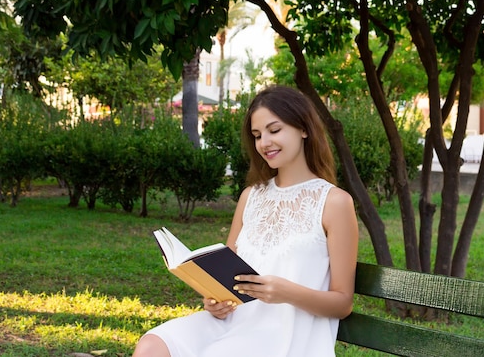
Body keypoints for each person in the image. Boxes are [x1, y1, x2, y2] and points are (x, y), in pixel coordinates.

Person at [132, 85, 359, 357]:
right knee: (153, 344)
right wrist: (214, 301)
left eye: (274, 130)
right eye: (257, 135)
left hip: (283, 337)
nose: (264, 142)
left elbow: (342, 303)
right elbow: (226, 279)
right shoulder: (251, 196)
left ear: (303, 128)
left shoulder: (334, 202)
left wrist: (286, 292)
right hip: (231, 323)